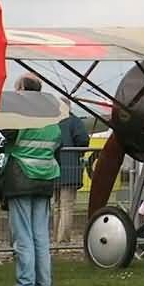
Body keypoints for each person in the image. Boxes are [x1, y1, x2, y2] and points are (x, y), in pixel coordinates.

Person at [0, 74, 62, 286]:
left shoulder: (20, 117)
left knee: (23, 236)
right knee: (41, 236)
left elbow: (0, 143)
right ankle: (44, 285)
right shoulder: (52, 119)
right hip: (46, 178)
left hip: (21, 177)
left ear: (23, 90)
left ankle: (25, 285)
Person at [54, 98, 89, 244]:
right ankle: (63, 239)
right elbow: (82, 140)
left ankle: (55, 236)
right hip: (70, 168)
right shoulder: (74, 121)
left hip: (53, 168)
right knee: (67, 205)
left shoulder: (51, 121)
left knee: (56, 205)